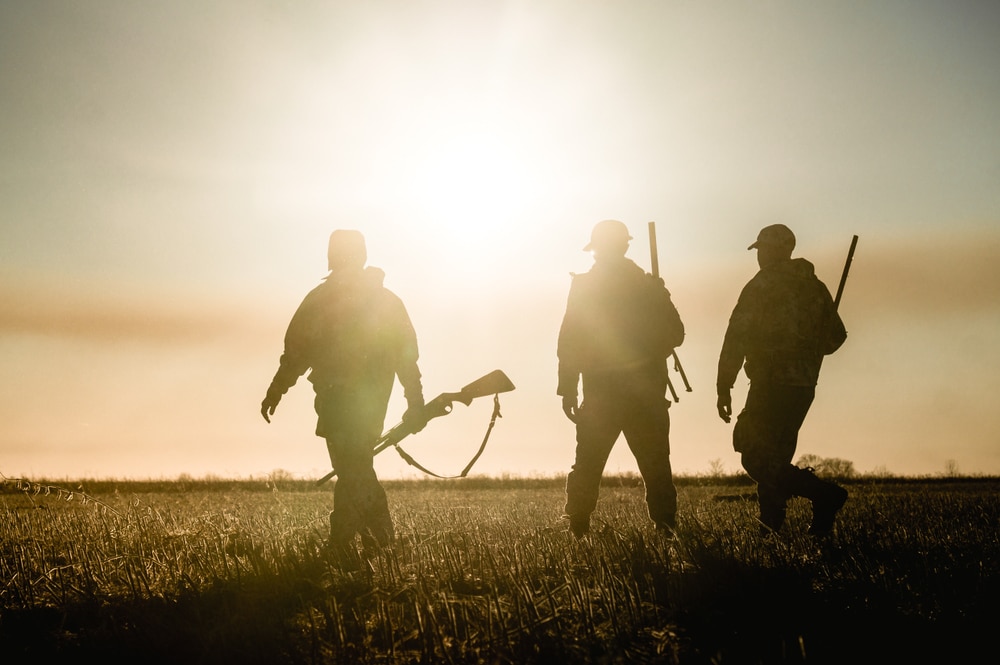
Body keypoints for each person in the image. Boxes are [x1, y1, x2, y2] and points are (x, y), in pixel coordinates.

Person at [260, 229, 427, 561]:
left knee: (354, 469)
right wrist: (414, 400)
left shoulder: (322, 299)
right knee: (357, 467)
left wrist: (277, 389)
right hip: (363, 403)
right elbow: (406, 356)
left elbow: (295, 353)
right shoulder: (383, 300)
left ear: (332, 257)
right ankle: (376, 544)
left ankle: (351, 543)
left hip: (340, 402)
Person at [716, 223, 849, 535]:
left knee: (754, 456)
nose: (758, 256)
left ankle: (824, 495)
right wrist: (808, 349)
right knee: (775, 456)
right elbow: (836, 338)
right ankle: (771, 526)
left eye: (760, 249)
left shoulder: (762, 285)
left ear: (772, 250)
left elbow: (736, 337)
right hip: (803, 386)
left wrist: (724, 386)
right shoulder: (816, 287)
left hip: (769, 382)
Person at [557, 220, 686, 538]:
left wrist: (568, 390)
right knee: (656, 463)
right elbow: (676, 334)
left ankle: (578, 531)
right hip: (646, 392)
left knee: (588, 463)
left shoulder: (586, 285)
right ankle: (666, 530)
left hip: (602, 393)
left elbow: (570, 341)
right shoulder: (648, 285)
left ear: (597, 249)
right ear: (626, 246)